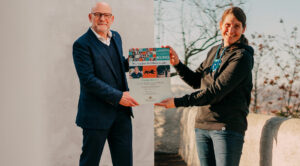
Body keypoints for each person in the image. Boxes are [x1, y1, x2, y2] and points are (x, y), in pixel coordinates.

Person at [155, 6, 254, 166]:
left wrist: (177, 102)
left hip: (226, 128)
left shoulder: (242, 57)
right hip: (202, 126)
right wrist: (177, 64)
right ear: (221, 25)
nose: (231, 30)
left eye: (237, 26)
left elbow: (215, 92)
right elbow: (196, 81)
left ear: (243, 29)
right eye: (228, 25)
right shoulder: (215, 50)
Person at [72, 2, 139, 166]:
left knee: (124, 162)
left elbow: (116, 65)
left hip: (121, 114)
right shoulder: (81, 44)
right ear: (91, 17)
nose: (102, 18)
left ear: (112, 18)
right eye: (98, 14)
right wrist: (119, 97)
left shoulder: (116, 37)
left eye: (106, 15)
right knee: (90, 162)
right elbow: (88, 80)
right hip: (96, 115)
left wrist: (137, 62)